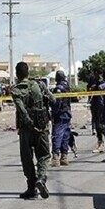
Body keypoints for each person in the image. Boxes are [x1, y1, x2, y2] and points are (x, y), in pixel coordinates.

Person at [12, 61, 55, 199]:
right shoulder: (40, 85)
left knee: (27, 158)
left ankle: (31, 187)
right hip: (42, 126)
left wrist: (30, 125)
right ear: (28, 72)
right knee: (44, 155)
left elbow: (22, 111)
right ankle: (41, 178)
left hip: (26, 129)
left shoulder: (16, 90)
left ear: (17, 74)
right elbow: (53, 100)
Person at [50, 70, 73, 167]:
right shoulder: (67, 87)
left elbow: (57, 103)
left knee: (57, 135)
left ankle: (56, 158)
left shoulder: (59, 88)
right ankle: (64, 157)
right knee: (65, 136)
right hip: (67, 113)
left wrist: (53, 114)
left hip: (60, 115)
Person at [88, 69, 105, 153]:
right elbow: (89, 89)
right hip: (96, 104)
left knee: (103, 125)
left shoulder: (104, 82)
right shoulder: (93, 80)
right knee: (98, 125)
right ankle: (101, 142)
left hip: (102, 105)